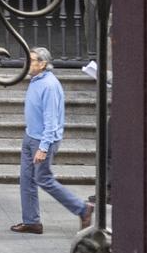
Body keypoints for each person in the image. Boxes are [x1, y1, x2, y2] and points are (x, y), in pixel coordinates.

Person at [14, 46, 93, 235]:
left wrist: (43, 147)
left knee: (43, 179)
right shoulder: (35, 80)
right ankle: (31, 221)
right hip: (30, 136)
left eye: (31, 60)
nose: (27, 64)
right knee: (27, 180)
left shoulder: (49, 85)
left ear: (42, 64)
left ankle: (82, 209)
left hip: (43, 140)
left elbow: (52, 121)